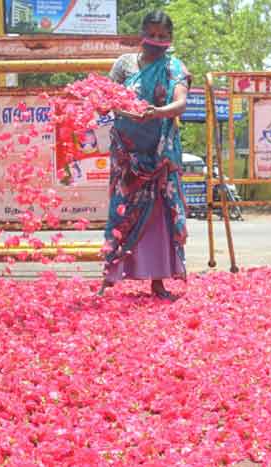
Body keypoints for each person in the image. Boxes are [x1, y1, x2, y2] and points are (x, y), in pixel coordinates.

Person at [96, 10, 190, 301]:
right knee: (122, 215)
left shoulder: (174, 67)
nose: (156, 41)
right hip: (128, 157)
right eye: (152, 34)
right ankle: (110, 278)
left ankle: (158, 283)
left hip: (159, 156)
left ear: (170, 39)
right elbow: (107, 98)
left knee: (159, 218)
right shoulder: (124, 65)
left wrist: (155, 112)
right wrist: (103, 106)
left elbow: (180, 102)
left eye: (163, 36)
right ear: (141, 34)